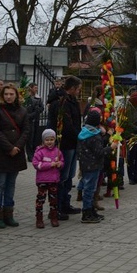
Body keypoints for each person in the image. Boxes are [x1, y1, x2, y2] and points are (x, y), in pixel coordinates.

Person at [0, 83, 32, 228]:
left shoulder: (23, 111)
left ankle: (9, 213)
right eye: (6, 94)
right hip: (1, 152)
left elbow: (26, 130)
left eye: (11, 94)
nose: (8, 97)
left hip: (16, 153)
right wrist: (9, 147)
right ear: (2, 95)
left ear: (16, 95)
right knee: (0, 183)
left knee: (11, 184)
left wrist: (17, 147)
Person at [47, 76, 83, 219]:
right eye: (78, 89)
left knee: (69, 176)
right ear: (72, 89)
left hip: (73, 143)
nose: (79, 92)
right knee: (62, 176)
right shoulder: (61, 102)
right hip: (65, 144)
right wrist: (79, 136)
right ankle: (57, 207)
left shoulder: (72, 101)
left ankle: (65, 204)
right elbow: (66, 125)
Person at [77, 108, 119, 224]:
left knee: (90, 188)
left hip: (86, 164)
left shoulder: (85, 132)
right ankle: (86, 213)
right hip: (93, 165)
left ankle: (91, 210)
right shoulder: (94, 136)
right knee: (89, 189)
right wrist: (111, 147)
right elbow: (99, 152)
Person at [32, 129, 63, 228]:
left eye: (52, 139)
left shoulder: (57, 151)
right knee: (40, 200)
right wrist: (50, 165)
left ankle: (54, 217)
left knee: (54, 200)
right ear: (43, 140)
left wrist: (59, 164)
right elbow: (36, 164)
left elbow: (62, 162)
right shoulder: (40, 151)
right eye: (47, 140)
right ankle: (39, 218)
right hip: (42, 180)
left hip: (53, 180)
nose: (49, 142)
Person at [24, 83, 45, 162]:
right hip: (29, 119)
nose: (36, 89)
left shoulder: (38, 97)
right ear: (31, 88)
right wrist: (32, 114)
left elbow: (42, 107)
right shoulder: (26, 98)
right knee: (29, 138)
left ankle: (34, 153)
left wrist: (37, 111)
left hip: (36, 119)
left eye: (37, 88)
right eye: (35, 88)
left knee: (35, 138)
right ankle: (30, 155)